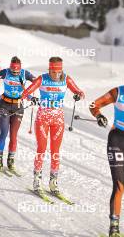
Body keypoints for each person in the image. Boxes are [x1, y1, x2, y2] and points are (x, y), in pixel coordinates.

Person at [89, 63, 124, 237]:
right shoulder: (118, 92)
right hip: (117, 140)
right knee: (119, 186)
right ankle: (114, 227)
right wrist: (98, 116)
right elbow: (93, 104)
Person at [22, 57, 85, 194]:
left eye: (59, 72)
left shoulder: (66, 79)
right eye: (53, 72)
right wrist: (32, 98)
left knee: (55, 151)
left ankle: (53, 181)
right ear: (49, 69)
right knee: (42, 149)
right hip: (43, 118)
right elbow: (25, 93)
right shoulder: (42, 79)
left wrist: (79, 95)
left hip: (58, 119)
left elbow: (79, 91)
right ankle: (37, 180)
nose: (56, 75)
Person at [0, 56, 35, 171]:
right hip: (4, 105)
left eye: (17, 71)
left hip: (18, 106)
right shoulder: (5, 72)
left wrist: (32, 96)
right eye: (13, 71)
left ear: (20, 68)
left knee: (13, 135)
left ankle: (11, 160)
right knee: (4, 132)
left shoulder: (25, 73)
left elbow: (37, 82)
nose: (15, 73)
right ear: (10, 68)